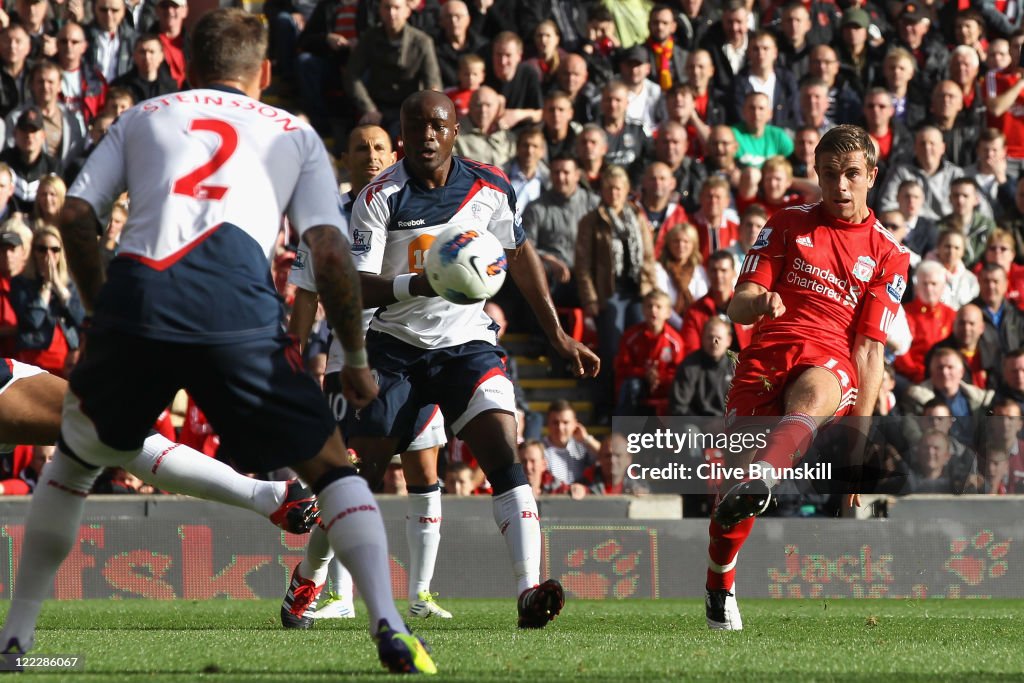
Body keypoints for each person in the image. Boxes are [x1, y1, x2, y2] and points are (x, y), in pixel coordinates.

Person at [0, 9, 437, 675]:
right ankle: (388, 620)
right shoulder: (292, 130)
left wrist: (102, 311)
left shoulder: (144, 115)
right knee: (332, 468)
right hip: (239, 311)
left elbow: (78, 218)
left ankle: (17, 639)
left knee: (75, 458)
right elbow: (328, 251)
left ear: (186, 63)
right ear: (264, 72)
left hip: (141, 299)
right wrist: (352, 357)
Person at [343, 89, 599, 629]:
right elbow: (355, 287)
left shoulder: (490, 184)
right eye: (415, 127)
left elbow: (519, 250)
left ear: (456, 129)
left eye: (437, 125)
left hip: (468, 345)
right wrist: (421, 281)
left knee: (503, 453)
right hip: (396, 351)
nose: (426, 135)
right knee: (355, 474)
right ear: (403, 137)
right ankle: (308, 581)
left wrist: (555, 333)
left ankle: (530, 590)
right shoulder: (378, 197)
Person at [704, 125, 910, 631]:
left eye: (852, 175)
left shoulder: (889, 254)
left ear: (871, 177)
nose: (841, 186)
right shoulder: (787, 222)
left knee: (817, 389)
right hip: (765, 358)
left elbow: (867, 350)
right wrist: (762, 301)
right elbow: (740, 302)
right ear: (817, 175)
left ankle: (767, 473)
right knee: (729, 510)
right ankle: (719, 583)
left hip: (831, 357)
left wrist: (858, 449)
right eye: (831, 175)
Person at [286, 123, 453, 623]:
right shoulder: (326, 216)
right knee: (352, 475)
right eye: (362, 148)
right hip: (350, 359)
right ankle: (333, 591)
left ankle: (421, 593)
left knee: (425, 469)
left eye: (381, 147)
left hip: (415, 352)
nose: (373, 156)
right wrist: (294, 362)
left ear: (393, 152)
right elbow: (306, 294)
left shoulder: (412, 202)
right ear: (347, 158)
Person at [344, 0, 441, 138]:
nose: (391, 13)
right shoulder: (369, 38)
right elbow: (352, 75)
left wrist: (424, 111)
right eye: (387, 7)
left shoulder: (422, 42)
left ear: (407, 11)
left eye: (396, 8)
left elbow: (433, 83)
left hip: (410, 108)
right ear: (380, 11)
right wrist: (368, 108)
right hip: (378, 106)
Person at [613, 289, 686, 415]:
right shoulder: (631, 336)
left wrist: (659, 377)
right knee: (631, 385)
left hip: (664, 387)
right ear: (642, 310)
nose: (653, 310)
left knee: (680, 388)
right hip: (639, 385)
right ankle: (624, 430)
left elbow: (679, 372)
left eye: (658, 307)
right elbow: (622, 367)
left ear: (668, 312)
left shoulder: (675, 342)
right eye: (649, 306)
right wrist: (644, 373)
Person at [669, 316, 733, 417]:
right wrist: (704, 424)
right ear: (702, 338)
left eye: (719, 338)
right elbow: (679, 407)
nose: (714, 342)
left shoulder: (736, 367)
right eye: (710, 337)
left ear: (728, 341)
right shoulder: (688, 366)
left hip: (728, 424)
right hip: (695, 425)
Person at [542, 399, 600, 493]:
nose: (560, 428)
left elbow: (610, 458)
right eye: (555, 423)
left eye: (565, 422)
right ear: (548, 423)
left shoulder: (583, 446)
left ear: (575, 424)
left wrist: (587, 439)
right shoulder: (539, 449)